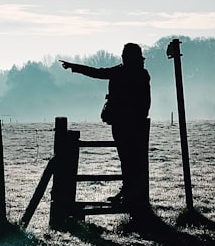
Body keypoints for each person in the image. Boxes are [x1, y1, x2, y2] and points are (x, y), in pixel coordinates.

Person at [60, 43, 151, 205]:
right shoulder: (140, 74)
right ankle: (130, 192)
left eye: (124, 55)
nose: (122, 57)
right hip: (132, 122)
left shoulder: (123, 72)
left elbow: (98, 73)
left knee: (128, 158)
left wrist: (75, 67)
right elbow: (145, 101)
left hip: (123, 122)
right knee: (131, 159)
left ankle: (129, 192)